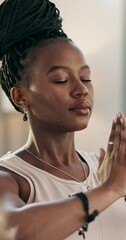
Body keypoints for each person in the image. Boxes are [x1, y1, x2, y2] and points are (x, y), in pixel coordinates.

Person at [0, 0, 126, 239]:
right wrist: (111, 189)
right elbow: (15, 230)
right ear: (20, 97)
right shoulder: (10, 177)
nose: (82, 90)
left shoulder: (109, 168)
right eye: (60, 79)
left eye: (86, 78)